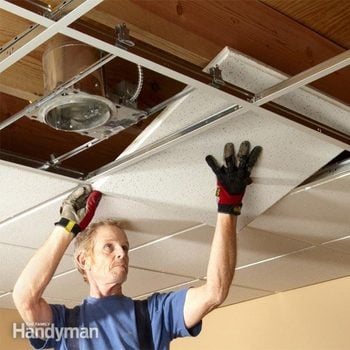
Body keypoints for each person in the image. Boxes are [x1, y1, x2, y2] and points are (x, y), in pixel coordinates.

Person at [13, 141, 262, 350]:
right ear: (83, 260)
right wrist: (66, 227)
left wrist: (228, 207)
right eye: (109, 247)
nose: (121, 252)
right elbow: (25, 298)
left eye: (125, 247)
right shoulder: (64, 326)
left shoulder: (155, 315)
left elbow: (214, 292)